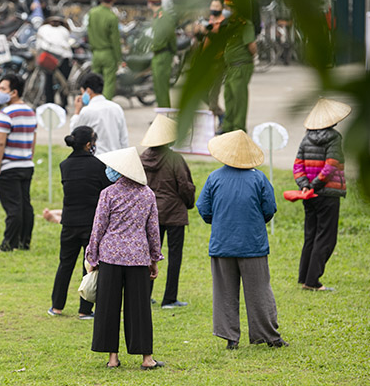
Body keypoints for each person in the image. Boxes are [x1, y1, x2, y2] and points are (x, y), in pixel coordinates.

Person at [197, 130, 286, 349]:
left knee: (224, 293)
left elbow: (204, 208)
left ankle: (230, 338)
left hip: (222, 244)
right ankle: (269, 336)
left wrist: (219, 222)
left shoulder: (214, 178)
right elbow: (269, 208)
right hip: (253, 244)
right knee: (260, 292)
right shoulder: (258, 178)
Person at [86, 147, 165, 369]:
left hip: (110, 256)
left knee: (108, 307)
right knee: (139, 308)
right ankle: (146, 358)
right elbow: (152, 231)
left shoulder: (108, 194)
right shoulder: (147, 194)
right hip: (138, 258)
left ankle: (112, 358)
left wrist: (92, 257)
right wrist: (154, 260)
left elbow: (98, 227)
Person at [48, 126, 111, 320]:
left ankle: (57, 306)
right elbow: (106, 190)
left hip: (69, 223)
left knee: (64, 264)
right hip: (91, 225)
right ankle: (85, 310)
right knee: (90, 265)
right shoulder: (99, 165)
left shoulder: (64, 165)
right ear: (88, 144)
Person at [292, 98, 350, 291]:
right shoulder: (335, 138)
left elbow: (297, 165)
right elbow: (331, 165)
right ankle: (312, 281)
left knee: (311, 234)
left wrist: (305, 186)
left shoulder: (306, 138)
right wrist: (316, 186)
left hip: (309, 195)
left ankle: (304, 277)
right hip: (327, 194)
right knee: (326, 237)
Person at [140, 114, 195, 308]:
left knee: (148, 255)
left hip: (149, 213)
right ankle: (169, 298)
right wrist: (189, 203)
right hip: (174, 213)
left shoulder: (141, 158)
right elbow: (185, 185)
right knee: (174, 256)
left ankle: (145, 294)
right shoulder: (175, 159)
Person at [0, 73, 37, 252]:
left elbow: (0, 143)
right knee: (25, 206)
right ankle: (24, 242)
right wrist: (28, 158)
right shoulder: (31, 111)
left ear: (14, 92)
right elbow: (33, 140)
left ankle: (8, 244)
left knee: (13, 208)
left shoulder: (6, 113)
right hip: (26, 164)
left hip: (9, 166)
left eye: (3, 89)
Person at [69, 73, 128, 154]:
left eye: (82, 92)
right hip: (116, 158)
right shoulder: (116, 108)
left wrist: (77, 111)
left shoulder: (87, 111)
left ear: (88, 91)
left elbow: (75, 133)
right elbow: (124, 138)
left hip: (97, 158)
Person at [221, 0, 256, 133]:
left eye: (229, 8)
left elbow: (251, 46)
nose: (226, 10)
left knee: (239, 98)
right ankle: (228, 126)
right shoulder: (230, 24)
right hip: (230, 67)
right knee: (228, 96)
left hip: (241, 66)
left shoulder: (245, 25)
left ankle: (238, 128)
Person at [194, 0, 228, 123]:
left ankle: (219, 119)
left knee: (213, 95)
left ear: (221, 8)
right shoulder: (209, 20)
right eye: (212, 5)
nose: (213, 8)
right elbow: (201, 39)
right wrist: (198, 31)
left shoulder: (224, 23)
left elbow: (221, 39)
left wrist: (208, 32)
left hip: (218, 62)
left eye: (216, 6)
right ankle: (220, 113)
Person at [87, 0, 121, 100]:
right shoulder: (112, 17)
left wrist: (93, 50)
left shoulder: (92, 13)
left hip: (96, 53)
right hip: (108, 53)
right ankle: (105, 106)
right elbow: (115, 41)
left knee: (95, 82)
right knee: (108, 83)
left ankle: (93, 105)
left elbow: (89, 33)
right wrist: (119, 59)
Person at [145, 0, 176, 109]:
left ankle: (166, 117)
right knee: (158, 88)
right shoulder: (158, 15)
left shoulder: (163, 16)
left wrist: (173, 52)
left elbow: (169, 36)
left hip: (162, 54)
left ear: (150, 2)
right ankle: (161, 115)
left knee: (162, 89)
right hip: (158, 55)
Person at [35, 16, 73, 106]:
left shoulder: (44, 29)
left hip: (53, 58)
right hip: (58, 57)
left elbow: (38, 46)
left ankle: (51, 102)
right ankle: (61, 103)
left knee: (51, 81)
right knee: (59, 81)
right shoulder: (63, 30)